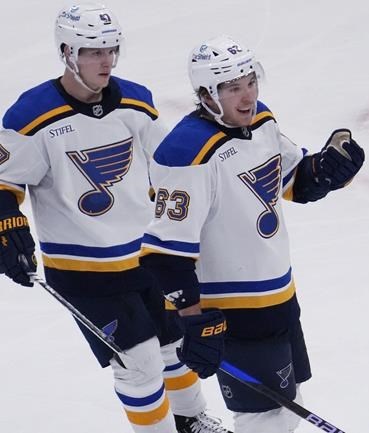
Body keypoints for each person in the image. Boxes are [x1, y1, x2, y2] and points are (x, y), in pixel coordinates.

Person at [0, 4, 229, 433]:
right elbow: (3, 183)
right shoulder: (31, 115)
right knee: (138, 363)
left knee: (173, 345)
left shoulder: (135, 100)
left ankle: (191, 419)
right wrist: (6, 222)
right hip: (85, 269)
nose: (106, 60)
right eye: (93, 51)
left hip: (145, 256)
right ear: (68, 52)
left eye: (111, 49)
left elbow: (166, 166)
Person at [139, 34, 365, 433]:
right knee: (268, 420)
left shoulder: (261, 121)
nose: (246, 97)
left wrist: (329, 170)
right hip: (234, 313)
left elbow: (293, 179)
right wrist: (195, 321)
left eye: (250, 83)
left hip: (278, 296)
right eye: (231, 88)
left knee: (287, 407)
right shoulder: (187, 153)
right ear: (207, 94)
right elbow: (164, 255)